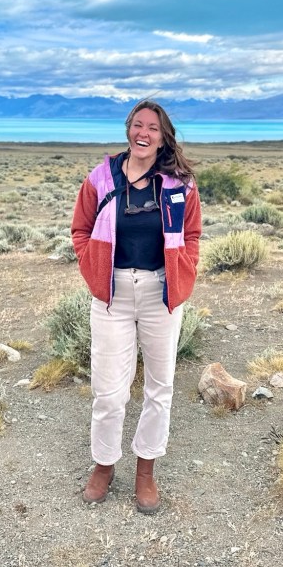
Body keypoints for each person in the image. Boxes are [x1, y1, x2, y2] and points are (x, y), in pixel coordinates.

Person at [70, 99, 202, 514]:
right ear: (128, 129)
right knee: (108, 390)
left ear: (164, 137)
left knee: (159, 387)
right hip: (113, 294)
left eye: (153, 128)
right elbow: (80, 229)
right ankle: (104, 465)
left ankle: (146, 470)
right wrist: (92, 267)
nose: (143, 133)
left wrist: (184, 269)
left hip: (161, 294)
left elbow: (193, 234)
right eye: (137, 125)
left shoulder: (180, 184)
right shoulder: (101, 177)